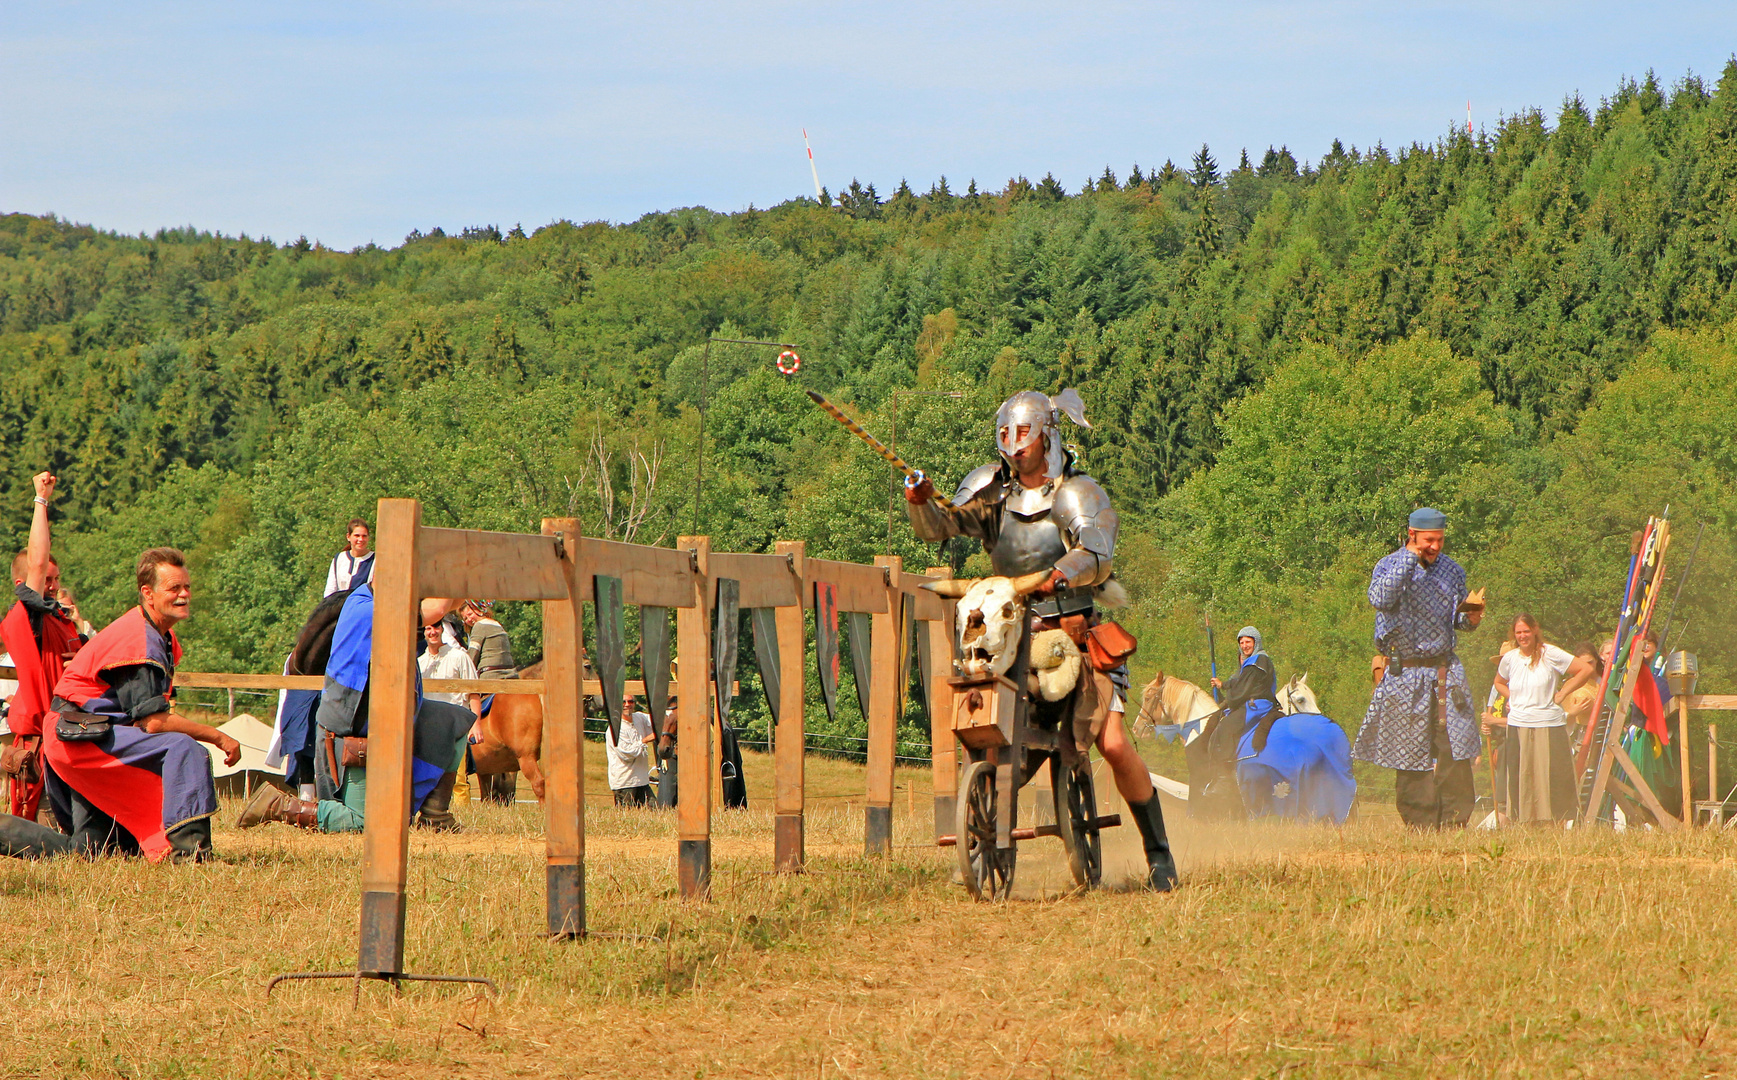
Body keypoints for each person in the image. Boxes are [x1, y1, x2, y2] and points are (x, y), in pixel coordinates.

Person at [904, 388, 1176, 890]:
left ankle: (1159, 854)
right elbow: (941, 526)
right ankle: (986, 824)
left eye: (1023, 433)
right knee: (987, 734)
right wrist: (921, 501)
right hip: (1009, 636)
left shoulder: (1077, 492)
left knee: (1113, 744)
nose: (1014, 444)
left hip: (1076, 635)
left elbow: (1097, 551)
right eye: (1006, 434)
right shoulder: (990, 489)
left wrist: (1062, 573)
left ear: (1047, 435)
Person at [42, 548, 240, 861]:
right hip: (79, 739)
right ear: (147, 593)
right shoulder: (139, 639)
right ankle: (190, 854)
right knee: (184, 749)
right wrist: (218, 736)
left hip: (88, 735)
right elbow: (154, 722)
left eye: (186, 587)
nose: (184, 594)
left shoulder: (162, 637)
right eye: (174, 588)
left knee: (93, 851)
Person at [236, 584, 471, 834]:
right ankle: (280, 806)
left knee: (453, 722)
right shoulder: (369, 609)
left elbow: (452, 603)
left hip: (386, 724)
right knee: (367, 824)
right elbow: (440, 606)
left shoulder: (376, 599)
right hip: (351, 738)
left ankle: (435, 817)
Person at [1352, 508, 1484, 829]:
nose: (1435, 547)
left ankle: (1454, 823)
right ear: (1412, 535)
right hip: (1404, 673)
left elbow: (1456, 621)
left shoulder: (1452, 572)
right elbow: (1380, 598)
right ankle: (1420, 826)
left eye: (1439, 540)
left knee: (1455, 747)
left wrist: (1471, 618)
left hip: (1444, 672)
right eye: (1428, 540)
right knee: (1410, 754)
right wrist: (1410, 560)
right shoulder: (1389, 566)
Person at [0, 472, 84, 824]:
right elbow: (36, 561)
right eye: (45, 580)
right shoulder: (28, 617)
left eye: (56, 579)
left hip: (72, 737)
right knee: (48, 841)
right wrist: (41, 500)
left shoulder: (62, 621)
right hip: (42, 746)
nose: (51, 586)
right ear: (24, 584)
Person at [1484, 613, 1594, 824]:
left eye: (1526, 631)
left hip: (1548, 723)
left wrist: (1562, 693)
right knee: (1523, 776)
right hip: (1519, 724)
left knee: (1552, 777)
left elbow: (1585, 669)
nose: (1523, 636)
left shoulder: (1550, 653)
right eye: (1518, 632)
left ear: (1535, 630)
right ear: (1514, 635)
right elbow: (1498, 682)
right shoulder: (1510, 659)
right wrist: (1513, 697)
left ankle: (1556, 822)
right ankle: (1525, 821)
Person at [417, 620, 482, 806]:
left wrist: (475, 724)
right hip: (428, 725)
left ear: (442, 630)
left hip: (455, 724)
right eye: (428, 628)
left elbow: (474, 691)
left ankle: (463, 815)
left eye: (436, 627)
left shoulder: (459, 657)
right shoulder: (420, 663)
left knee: (459, 779)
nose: (432, 632)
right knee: (427, 775)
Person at [1207, 626, 1280, 773]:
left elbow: (1242, 690)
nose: (1244, 646)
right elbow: (1241, 682)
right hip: (1259, 703)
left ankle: (1225, 776)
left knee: (1225, 727)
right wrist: (1223, 685)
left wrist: (1229, 701)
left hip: (1257, 705)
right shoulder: (1257, 661)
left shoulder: (1257, 661)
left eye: (1248, 642)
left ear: (1256, 642)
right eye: (1241, 643)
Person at [606, 697, 656, 806]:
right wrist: (645, 740)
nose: (627, 704)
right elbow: (627, 754)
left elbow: (659, 719)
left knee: (655, 811)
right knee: (627, 818)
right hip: (625, 783)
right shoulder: (615, 728)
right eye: (623, 701)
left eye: (631, 701)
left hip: (642, 781)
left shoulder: (640, 718)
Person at [323, 519, 375, 597]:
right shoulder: (339, 559)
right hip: (340, 607)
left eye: (364, 536)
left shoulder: (375, 560)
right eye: (357, 535)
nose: (361, 539)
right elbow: (330, 590)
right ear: (348, 537)